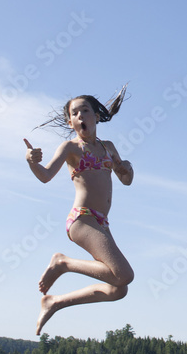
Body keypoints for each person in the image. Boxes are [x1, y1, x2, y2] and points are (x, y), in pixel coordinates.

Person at [23, 84, 134, 335]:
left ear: (96, 116)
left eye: (85, 111)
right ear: (70, 121)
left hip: (101, 222)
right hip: (82, 220)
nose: (80, 116)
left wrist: (128, 169)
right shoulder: (70, 148)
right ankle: (63, 263)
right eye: (74, 113)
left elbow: (125, 180)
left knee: (118, 288)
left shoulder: (109, 147)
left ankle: (55, 302)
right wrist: (31, 161)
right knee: (125, 274)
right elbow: (45, 175)